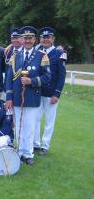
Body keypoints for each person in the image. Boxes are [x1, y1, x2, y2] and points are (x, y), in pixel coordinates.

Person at [5, 26, 51, 165]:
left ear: (34, 40)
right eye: (25, 38)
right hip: (17, 97)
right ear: (21, 39)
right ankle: (19, 151)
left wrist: (31, 81)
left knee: (29, 126)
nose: (27, 41)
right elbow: (8, 79)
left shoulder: (41, 55)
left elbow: (48, 77)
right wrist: (8, 97)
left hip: (31, 96)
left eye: (30, 38)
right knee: (18, 125)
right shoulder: (15, 56)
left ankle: (28, 153)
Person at [34, 27, 66, 155]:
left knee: (49, 121)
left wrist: (57, 93)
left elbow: (62, 75)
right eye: (43, 37)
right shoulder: (37, 51)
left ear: (53, 39)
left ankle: (45, 146)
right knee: (35, 118)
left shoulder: (59, 53)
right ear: (40, 39)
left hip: (51, 93)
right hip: (37, 92)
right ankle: (35, 144)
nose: (45, 40)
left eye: (48, 37)